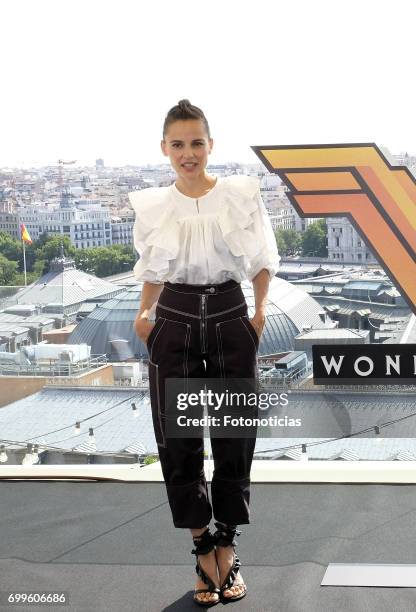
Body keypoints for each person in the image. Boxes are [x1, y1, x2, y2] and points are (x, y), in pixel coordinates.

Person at [130, 99, 280, 606]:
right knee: (178, 438)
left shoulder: (240, 196)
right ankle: (201, 547)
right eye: (178, 144)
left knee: (235, 436)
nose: (188, 153)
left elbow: (262, 259)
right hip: (171, 319)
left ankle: (229, 546)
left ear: (211, 145)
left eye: (197, 143)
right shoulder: (154, 206)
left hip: (228, 313)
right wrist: (144, 316)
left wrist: (258, 313)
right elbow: (153, 267)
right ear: (165, 149)